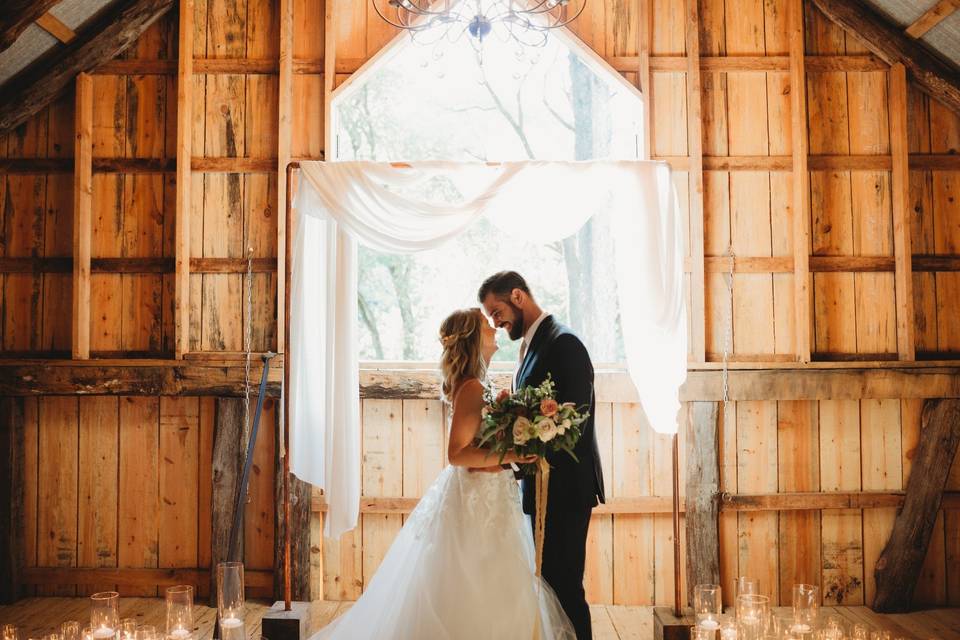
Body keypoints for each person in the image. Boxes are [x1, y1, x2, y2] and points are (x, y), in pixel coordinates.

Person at [309, 307, 575, 640]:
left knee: (494, 575)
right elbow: (457, 454)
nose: (493, 329)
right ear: (473, 338)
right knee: (475, 577)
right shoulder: (473, 387)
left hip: (492, 492)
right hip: (478, 499)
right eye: (485, 326)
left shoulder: (479, 383)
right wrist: (513, 453)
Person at [478, 271, 605, 640]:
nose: (495, 322)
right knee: (547, 588)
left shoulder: (564, 343)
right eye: (490, 317)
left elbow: (573, 421)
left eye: (497, 311)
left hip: (565, 489)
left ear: (518, 296)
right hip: (539, 486)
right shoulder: (532, 345)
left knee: (565, 588)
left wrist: (519, 453)